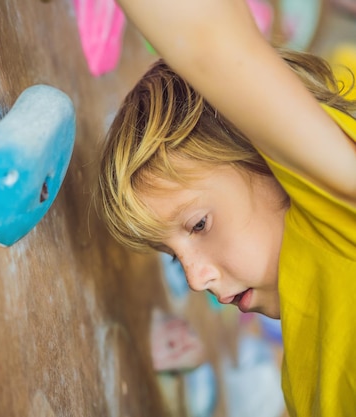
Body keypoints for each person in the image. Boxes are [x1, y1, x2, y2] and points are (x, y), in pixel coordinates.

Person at [97, 0, 356, 415]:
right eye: (174, 256)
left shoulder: (345, 212)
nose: (197, 279)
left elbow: (209, 42)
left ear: (269, 161)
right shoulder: (297, 379)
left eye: (199, 224)